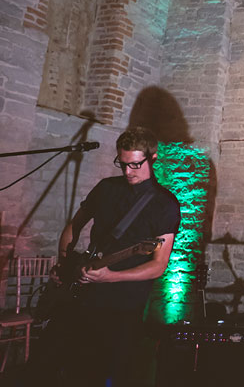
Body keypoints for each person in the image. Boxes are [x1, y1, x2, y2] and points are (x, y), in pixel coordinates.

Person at [35, 126, 180, 386]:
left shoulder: (164, 203)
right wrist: (64, 262)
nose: (127, 172)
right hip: (78, 296)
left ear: (153, 157)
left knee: (97, 374)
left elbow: (158, 266)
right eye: (122, 164)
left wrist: (110, 277)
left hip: (120, 307)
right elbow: (73, 226)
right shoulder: (106, 188)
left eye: (135, 165)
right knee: (45, 366)